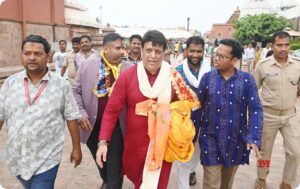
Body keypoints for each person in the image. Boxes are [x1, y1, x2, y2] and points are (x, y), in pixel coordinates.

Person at [96, 30, 198, 189]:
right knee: (140, 182)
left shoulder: (173, 77)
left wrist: (164, 113)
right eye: (149, 50)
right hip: (135, 146)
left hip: (163, 145)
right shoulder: (128, 76)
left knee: (158, 183)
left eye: (158, 51)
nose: (153, 55)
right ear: (141, 51)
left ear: (164, 53)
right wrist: (103, 142)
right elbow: (112, 110)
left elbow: (185, 108)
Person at [0, 34, 82, 189]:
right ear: (22, 55)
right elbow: (0, 115)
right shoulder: (10, 83)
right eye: (27, 53)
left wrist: (76, 148)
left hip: (47, 158)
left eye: (38, 54)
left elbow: (71, 117)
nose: (32, 57)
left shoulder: (61, 86)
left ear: (48, 56)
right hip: (17, 157)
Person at [198, 38, 263, 189]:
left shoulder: (247, 80)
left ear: (234, 60)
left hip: (235, 140)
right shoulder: (207, 78)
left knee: (226, 184)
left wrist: (254, 137)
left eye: (221, 56)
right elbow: (197, 107)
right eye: (215, 54)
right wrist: (190, 133)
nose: (216, 58)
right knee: (211, 183)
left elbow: (255, 109)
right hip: (210, 138)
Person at [73, 32, 132, 189]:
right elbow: (75, 91)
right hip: (92, 126)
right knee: (102, 163)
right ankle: (107, 180)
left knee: (115, 168)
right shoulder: (87, 65)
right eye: (118, 48)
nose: (122, 52)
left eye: (123, 48)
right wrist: (81, 114)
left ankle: (112, 183)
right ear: (106, 48)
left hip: (117, 128)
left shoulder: (130, 68)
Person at [254, 31, 300, 189]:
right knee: (265, 152)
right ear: (272, 46)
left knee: (295, 152)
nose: (283, 48)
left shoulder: (297, 65)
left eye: (287, 45)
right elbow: (254, 91)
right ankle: (261, 179)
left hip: (290, 116)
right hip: (268, 115)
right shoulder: (263, 66)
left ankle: (287, 182)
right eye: (279, 45)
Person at [175, 36, 211, 188]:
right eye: (191, 51)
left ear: (204, 51)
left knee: (196, 155)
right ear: (185, 51)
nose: (195, 55)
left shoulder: (212, 72)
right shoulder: (176, 72)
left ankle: (191, 171)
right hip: (184, 122)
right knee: (182, 160)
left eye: (199, 51)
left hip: (206, 121)